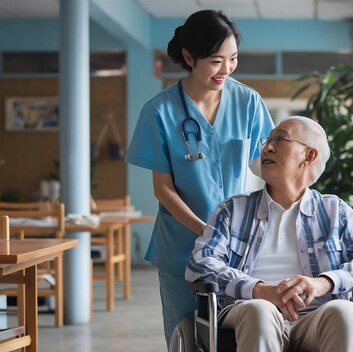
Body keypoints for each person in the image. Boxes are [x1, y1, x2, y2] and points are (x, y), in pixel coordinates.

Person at [125, 10, 274, 347]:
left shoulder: (248, 102)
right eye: (216, 61)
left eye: (233, 59)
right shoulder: (159, 112)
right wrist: (208, 230)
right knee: (186, 336)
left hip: (239, 248)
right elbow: (163, 189)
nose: (226, 69)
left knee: (237, 336)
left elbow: (267, 167)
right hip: (182, 245)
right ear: (189, 57)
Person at [186, 117, 353, 352]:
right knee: (260, 309)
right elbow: (200, 262)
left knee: (344, 311)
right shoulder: (233, 210)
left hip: (317, 318)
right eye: (267, 140)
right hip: (249, 311)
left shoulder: (335, 211)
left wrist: (323, 283)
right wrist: (258, 289)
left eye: (279, 139)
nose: (266, 147)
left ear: (309, 156)